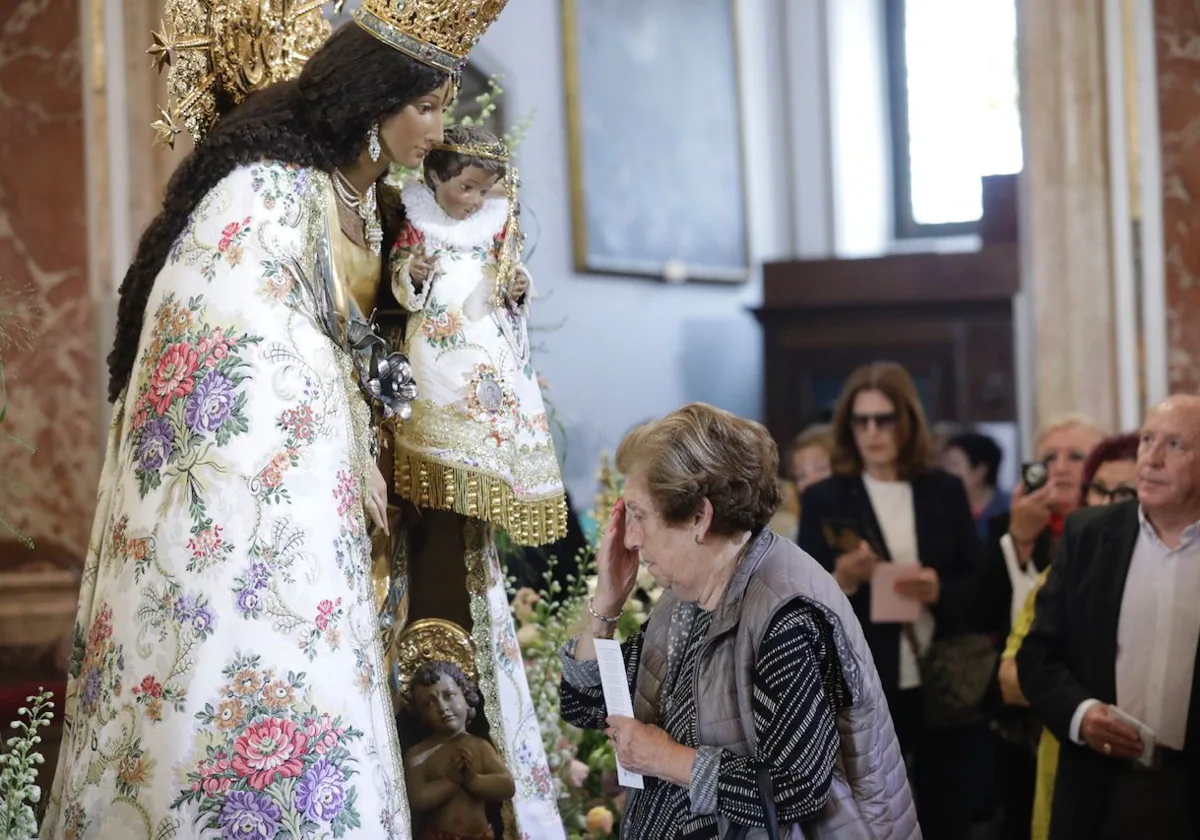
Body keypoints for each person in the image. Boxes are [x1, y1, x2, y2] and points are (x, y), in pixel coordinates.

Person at [39, 3, 514, 837]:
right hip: (290, 501)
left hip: (376, 509)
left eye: (446, 107)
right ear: (375, 101)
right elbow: (243, 340)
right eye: (428, 106)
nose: (438, 129)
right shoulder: (264, 194)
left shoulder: (387, 211)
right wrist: (340, 453)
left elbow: (402, 328)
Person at [559, 403, 918, 839]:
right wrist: (606, 603)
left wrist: (665, 758)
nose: (628, 538)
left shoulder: (786, 613)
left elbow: (797, 789)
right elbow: (586, 704)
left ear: (698, 518)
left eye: (638, 515)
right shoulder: (687, 597)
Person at [378, 125, 567, 836]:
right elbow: (397, 283)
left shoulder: (494, 227)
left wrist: (517, 289)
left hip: (483, 354)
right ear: (437, 179)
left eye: (485, 190)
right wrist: (411, 280)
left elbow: (512, 282)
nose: (475, 199)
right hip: (437, 358)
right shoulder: (415, 222)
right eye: (466, 187)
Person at [797, 361, 981, 840]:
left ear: (907, 423)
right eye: (862, 421)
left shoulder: (943, 491)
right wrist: (844, 579)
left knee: (945, 802)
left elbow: (979, 584)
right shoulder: (826, 498)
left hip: (937, 668)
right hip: (863, 675)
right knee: (873, 809)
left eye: (885, 419)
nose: (873, 432)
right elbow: (800, 599)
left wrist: (939, 589)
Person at [1017, 396, 1200, 840]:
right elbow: (1037, 656)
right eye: (1147, 440)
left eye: (1174, 445)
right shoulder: (1089, 533)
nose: (1152, 459)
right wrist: (1081, 714)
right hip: (1100, 786)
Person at [996, 433, 1139, 840]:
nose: (1109, 503)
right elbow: (1010, 679)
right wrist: (1086, 702)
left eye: (1125, 491)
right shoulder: (1060, 576)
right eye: (1099, 489)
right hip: (1069, 760)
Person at [973, 415, 1103, 840]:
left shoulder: (1112, 533)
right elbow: (984, 612)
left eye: (1076, 456)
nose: (1060, 467)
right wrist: (1021, 540)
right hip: (1018, 721)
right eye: (1049, 457)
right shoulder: (1003, 528)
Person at [402, 661, 515, 840]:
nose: (442, 707)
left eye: (448, 695)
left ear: (465, 694)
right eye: (429, 704)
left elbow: (507, 786)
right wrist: (451, 782)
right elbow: (417, 799)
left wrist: (473, 780)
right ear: (420, 713)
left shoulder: (479, 746)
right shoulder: (419, 755)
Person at [942, 430, 1010, 541]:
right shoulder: (941, 510)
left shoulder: (1009, 509)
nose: (945, 471)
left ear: (980, 471)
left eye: (953, 464)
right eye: (944, 464)